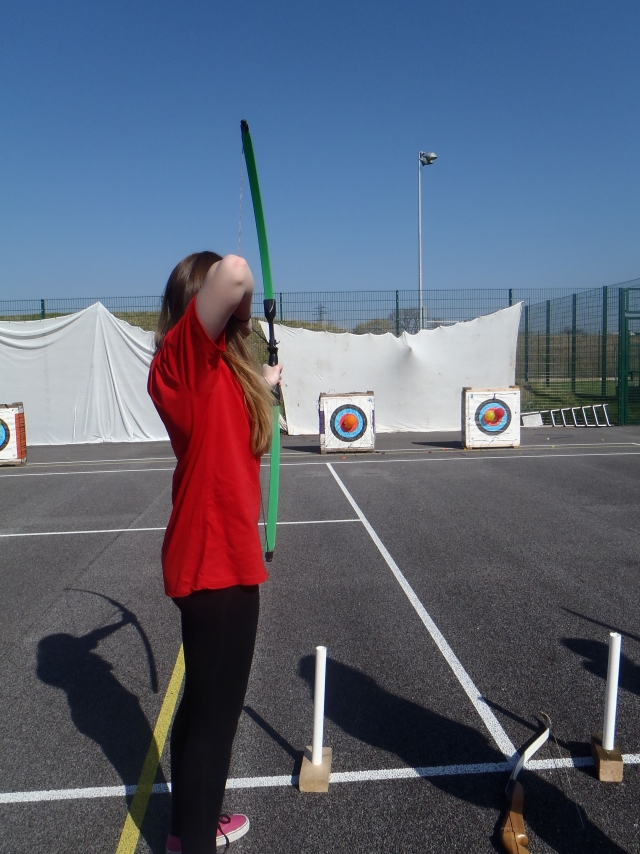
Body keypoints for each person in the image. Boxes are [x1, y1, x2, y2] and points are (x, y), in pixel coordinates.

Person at [148, 252, 282, 854]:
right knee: (214, 720)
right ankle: (195, 841)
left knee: (205, 708)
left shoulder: (218, 371)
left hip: (219, 558)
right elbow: (234, 270)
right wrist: (246, 311)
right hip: (214, 563)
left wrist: (266, 382)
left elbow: (230, 416)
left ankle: (187, 830)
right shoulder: (184, 360)